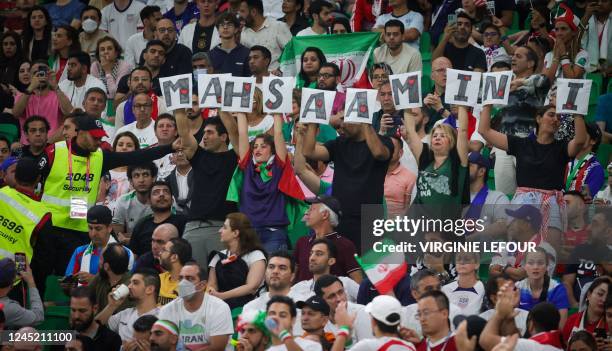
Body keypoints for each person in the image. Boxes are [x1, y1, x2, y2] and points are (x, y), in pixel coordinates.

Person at [478, 102, 587, 249]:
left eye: (559, 117)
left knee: (550, 252)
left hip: (551, 203)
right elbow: (484, 131)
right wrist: (488, 104)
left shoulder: (562, 147)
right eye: (551, 115)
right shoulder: (521, 144)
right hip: (524, 201)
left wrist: (577, 113)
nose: (556, 119)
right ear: (538, 118)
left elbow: (580, 140)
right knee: (518, 251)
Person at [303, 94, 393, 252]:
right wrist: (312, 122)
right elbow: (310, 151)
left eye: (346, 119)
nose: (341, 124)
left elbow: (379, 153)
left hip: (368, 218)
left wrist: (365, 123)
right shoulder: (339, 144)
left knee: (366, 269)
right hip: (340, 217)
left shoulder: (383, 142)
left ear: (361, 119)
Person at [229, 111, 305, 252]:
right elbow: (243, 133)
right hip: (249, 233)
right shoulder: (247, 165)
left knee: (272, 273)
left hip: (274, 233)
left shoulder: (279, 166)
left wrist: (277, 111)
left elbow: (278, 134)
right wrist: (240, 111)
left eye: (263, 146)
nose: (258, 149)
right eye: (255, 146)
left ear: (273, 151)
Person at [174, 108, 239, 267]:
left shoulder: (235, 157)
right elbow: (184, 132)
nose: (204, 136)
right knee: (190, 280)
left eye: (210, 132)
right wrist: (178, 108)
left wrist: (223, 108)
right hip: (193, 227)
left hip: (222, 228)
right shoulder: (198, 155)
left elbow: (236, 134)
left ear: (223, 137)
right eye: (204, 132)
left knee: (222, 279)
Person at [404, 104, 469, 211]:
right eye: (435, 136)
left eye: (443, 136)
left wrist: (461, 102)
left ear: (452, 142)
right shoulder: (424, 158)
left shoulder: (458, 161)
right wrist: (406, 103)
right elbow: (411, 130)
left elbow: (463, 131)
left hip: (445, 224)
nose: (437, 138)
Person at [158, 262, 234, 351]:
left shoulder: (219, 308)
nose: (183, 283)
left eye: (189, 278)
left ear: (202, 285)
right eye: (181, 278)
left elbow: (217, 348)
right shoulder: (167, 310)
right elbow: (163, 345)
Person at [294, 195, 362, 283]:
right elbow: (291, 276)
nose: (306, 212)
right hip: (301, 296)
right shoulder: (302, 242)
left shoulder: (345, 245)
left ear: (325, 214)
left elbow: (358, 281)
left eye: (312, 209)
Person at [480, 282, 564, 351]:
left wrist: (499, 313)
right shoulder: (559, 348)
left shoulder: (532, 346)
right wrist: (510, 311)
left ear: (531, 325)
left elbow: (486, 341)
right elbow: (517, 341)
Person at [207, 212, 266, 309]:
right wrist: (213, 293)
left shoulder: (256, 256)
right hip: (222, 308)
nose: (219, 230)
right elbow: (212, 284)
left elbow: (251, 287)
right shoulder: (218, 256)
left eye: (224, 227)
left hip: (252, 310)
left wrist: (221, 296)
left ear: (235, 233)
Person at [65, 205, 135, 282]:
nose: (93, 233)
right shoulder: (79, 252)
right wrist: (67, 285)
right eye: (90, 228)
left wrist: (95, 280)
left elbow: (127, 285)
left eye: (98, 228)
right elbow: (70, 284)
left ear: (109, 228)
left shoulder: (125, 253)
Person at [12, 60, 73, 145]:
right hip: (28, 147)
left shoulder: (58, 95)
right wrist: (31, 87)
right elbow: (15, 113)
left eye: (43, 72)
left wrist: (55, 86)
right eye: (35, 73)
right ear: (30, 77)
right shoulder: (23, 96)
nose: (40, 75)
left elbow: (70, 113)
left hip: (52, 145)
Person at [563, 208, 612, 308]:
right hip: (579, 305)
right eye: (589, 224)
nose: (588, 229)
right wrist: (574, 304)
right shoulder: (579, 250)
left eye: (595, 225)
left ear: (608, 232)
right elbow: (567, 282)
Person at [95, 268, 161, 342]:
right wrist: (111, 306)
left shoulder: (163, 317)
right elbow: (93, 330)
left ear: (150, 289)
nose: (129, 286)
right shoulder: (125, 314)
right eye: (130, 282)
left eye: (135, 283)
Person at [331, 295, 415, 351]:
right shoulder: (410, 347)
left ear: (373, 321)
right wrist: (348, 342)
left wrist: (343, 329)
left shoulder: (368, 346)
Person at [128, 181, 187, 257]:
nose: (162, 194)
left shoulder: (184, 222)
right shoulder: (141, 225)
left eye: (166, 192)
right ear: (149, 201)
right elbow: (134, 256)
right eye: (156, 192)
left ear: (172, 201)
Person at [292, 239, 360, 302]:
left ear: (331, 261)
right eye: (311, 253)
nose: (312, 258)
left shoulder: (346, 283)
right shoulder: (298, 288)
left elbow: (368, 304)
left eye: (319, 254)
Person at [516, 247, 570, 327]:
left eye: (540, 263)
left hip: (549, 336)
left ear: (547, 266)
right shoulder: (517, 288)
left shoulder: (557, 288)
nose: (535, 267)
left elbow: (561, 326)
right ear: (524, 266)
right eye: (530, 263)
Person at [314, 274, 373, 344]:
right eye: (331, 296)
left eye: (340, 292)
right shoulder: (320, 320)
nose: (339, 298)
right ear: (321, 301)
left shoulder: (362, 312)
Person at [238, 0, 293, 70]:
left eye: (242, 11)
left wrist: (280, 69)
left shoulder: (278, 26)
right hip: (253, 79)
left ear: (253, 12)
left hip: (278, 78)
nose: (240, 15)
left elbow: (291, 52)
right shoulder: (243, 32)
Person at [465, 151, 509, 238]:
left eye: (469, 165)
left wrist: (471, 239)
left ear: (481, 171)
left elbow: (504, 226)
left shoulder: (498, 198)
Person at [67, 286, 122, 351]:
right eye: (73, 310)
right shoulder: (60, 336)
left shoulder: (112, 339)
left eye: (82, 311)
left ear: (95, 309)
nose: (76, 316)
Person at [543, 4, 588, 83]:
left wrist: (563, 55)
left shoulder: (582, 54)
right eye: (556, 29)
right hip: (551, 95)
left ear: (574, 32)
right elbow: (546, 83)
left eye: (563, 29)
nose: (559, 33)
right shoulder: (549, 55)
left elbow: (571, 80)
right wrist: (556, 58)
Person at [112, 162, 157, 238]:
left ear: (153, 178)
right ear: (130, 181)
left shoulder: (163, 199)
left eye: (145, 175)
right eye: (136, 176)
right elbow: (118, 235)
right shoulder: (123, 201)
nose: (141, 180)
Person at [115, 64, 167, 129]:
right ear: (129, 84)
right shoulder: (121, 108)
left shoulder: (162, 104)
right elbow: (118, 135)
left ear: (151, 84)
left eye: (144, 79)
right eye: (136, 79)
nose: (140, 82)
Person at [0, 258, 44, 329]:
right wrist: (30, 281)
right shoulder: (10, 308)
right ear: (11, 284)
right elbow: (38, 317)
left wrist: (10, 281)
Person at [564, 122, 605, 199]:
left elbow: (587, 200)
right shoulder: (564, 160)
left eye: (582, 133)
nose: (578, 136)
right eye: (577, 132)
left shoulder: (596, 169)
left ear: (593, 141)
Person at [562, 277, 609, 342]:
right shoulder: (572, 320)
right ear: (589, 294)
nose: (604, 300)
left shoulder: (610, 324)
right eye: (600, 294)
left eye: (608, 297)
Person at [208, 13, 251, 77]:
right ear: (218, 30)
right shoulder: (210, 55)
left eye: (229, 25)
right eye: (222, 25)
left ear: (236, 29)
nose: (225, 27)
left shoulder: (246, 53)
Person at [441, 252, 484, 316]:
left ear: (477, 264)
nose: (462, 262)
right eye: (458, 259)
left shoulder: (484, 289)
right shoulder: (445, 289)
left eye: (467, 259)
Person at [384, 136, 417, 218]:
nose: (389, 150)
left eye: (392, 147)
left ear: (401, 153)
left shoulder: (410, 177)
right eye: (386, 147)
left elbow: (408, 209)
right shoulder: (373, 172)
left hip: (396, 225)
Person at [158, 238, 192, 305]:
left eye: (164, 250)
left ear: (174, 257)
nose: (160, 253)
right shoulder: (158, 279)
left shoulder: (191, 285)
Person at [423, 57, 452, 129]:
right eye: (440, 70)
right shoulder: (423, 97)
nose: (445, 74)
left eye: (448, 70)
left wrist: (440, 109)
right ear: (432, 76)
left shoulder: (459, 97)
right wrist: (422, 108)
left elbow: (460, 126)